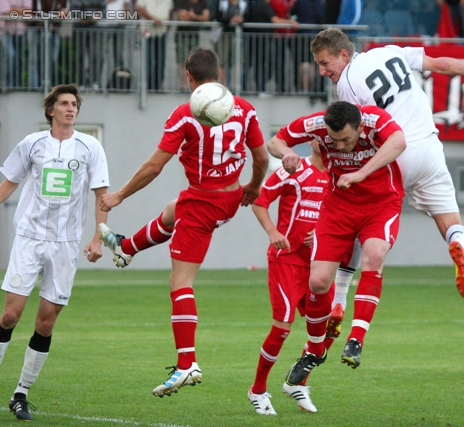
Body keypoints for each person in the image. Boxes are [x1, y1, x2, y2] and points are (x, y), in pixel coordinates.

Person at [309, 28, 464, 336]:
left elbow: (357, 134)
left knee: (360, 221)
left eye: (325, 63)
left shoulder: (347, 84)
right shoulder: (391, 51)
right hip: (429, 149)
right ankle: (457, 245)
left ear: (344, 55)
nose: (323, 71)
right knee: (451, 220)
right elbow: (441, 65)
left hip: (393, 154)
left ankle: (340, 298)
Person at [98, 47, 269, 397]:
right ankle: (127, 247)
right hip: (228, 197)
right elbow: (262, 157)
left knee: (180, 283)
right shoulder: (245, 109)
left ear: (187, 77)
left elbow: (153, 166)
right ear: (219, 74)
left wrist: (118, 196)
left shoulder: (185, 114)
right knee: (174, 208)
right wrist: (252, 187)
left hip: (204, 204)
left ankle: (187, 363)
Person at [268, 101, 406, 397]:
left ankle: (356, 339)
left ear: (359, 127)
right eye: (335, 139)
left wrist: (361, 173)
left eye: (347, 138)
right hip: (337, 207)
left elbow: (399, 141)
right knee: (318, 282)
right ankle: (315, 350)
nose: (341, 145)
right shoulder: (316, 124)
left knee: (374, 255)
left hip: (380, 203)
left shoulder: (374, 119)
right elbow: (275, 141)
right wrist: (288, 153)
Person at [0, 84, 109, 421]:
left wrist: (97, 238)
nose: (70, 108)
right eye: (63, 103)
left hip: (65, 245)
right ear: (50, 110)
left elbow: (102, 195)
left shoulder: (91, 147)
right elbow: (8, 184)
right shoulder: (31, 144)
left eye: (74, 104)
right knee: (10, 316)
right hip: (29, 239)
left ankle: (21, 393)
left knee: (46, 322)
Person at [247, 140, 329, 415]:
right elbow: (260, 201)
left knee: (326, 330)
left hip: (320, 265)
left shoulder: (339, 175)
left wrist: (321, 234)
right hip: (287, 261)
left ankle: (298, 382)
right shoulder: (294, 168)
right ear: (314, 140)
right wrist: (272, 232)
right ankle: (257, 390)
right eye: (320, 134)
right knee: (282, 328)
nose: (325, 140)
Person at [136, 0, 172, 91]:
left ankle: (158, 86)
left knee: (161, 60)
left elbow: (171, 10)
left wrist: (168, 25)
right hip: (147, 31)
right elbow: (139, 8)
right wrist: (152, 18)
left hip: (162, 31)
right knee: (149, 59)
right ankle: (149, 86)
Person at [175, 0, 210, 91]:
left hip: (194, 35)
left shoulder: (202, 2)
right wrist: (198, 17)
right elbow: (182, 17)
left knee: (193, 62)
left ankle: (193, 85)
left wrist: (194, 16)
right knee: (183, 61)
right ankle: (183, 86)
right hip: (182, 35)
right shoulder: (182, 2)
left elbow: (206, 16)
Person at [0, 0, 30, 88]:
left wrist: (12, 9)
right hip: (4, 30)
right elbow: (5, 12)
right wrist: (20, 10)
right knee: (10, 54)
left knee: (19, 58)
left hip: (20, 31)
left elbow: (28, 11)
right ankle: (6, 84)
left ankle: (17, 84)